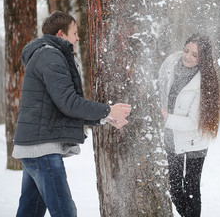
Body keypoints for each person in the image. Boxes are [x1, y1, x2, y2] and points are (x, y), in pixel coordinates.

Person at [12, 11, 131, 217]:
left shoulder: (47, 54)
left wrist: (105, 117)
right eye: (74, 33)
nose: (78, 38)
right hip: (42, 148)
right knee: (64, 211)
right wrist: (108, 109)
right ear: (61, 34)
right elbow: (69, 103)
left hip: (35, 146)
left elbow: (61, 106)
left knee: (30, 210)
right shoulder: (50, 55)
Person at [159, 33, 220, 217]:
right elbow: (160, 84)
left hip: (196, 138)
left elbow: (193, 122)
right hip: (173, 136)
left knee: (191, 187)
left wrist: (167, 118)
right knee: (176, 188)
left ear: (202, 58)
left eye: (195, 55)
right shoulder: (171, 63)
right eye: (187, 51)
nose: (188, 57)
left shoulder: (204, 81)